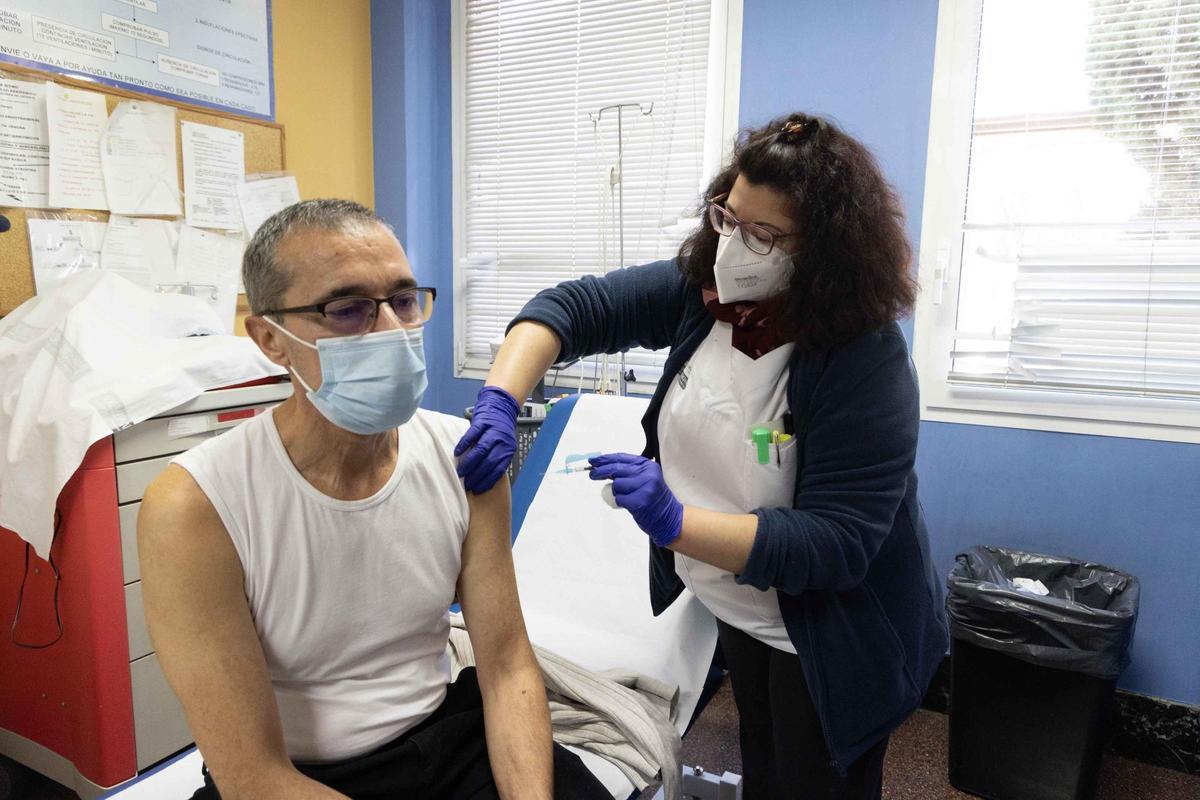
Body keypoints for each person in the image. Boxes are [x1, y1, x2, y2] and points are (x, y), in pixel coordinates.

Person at [455, 113, 949, 799]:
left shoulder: (865, 359)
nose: (734, 246)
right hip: (741, 600)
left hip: (837, 631)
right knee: (765, 768)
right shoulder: (703, 293)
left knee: (816, 780)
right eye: (728, 216)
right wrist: (499, 400)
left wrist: (674, 521)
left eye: (764, 235)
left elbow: (837, 543)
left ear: (824, 251)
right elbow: (571, 307)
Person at [138, 199, 609, 800]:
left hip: (447, 742)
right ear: (269, 340)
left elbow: (508, 664)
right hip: (299, 776)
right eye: (348, 309)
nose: (392, 330)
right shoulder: (198, 507)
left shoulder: (463, 459)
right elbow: (253, 775)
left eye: (405, 300)